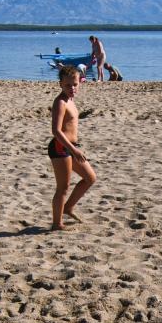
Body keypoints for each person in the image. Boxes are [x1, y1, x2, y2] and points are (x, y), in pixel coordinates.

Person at [47, 65, 97, 230]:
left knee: (90, 178)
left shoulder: (71, 100)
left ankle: (68, 208)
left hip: (71, 147)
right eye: (68, 85)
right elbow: (56, 131)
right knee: (63, 187)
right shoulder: (60, 102)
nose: (72, 88)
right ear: (60, 84)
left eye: (75, 84)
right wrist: (74, 150)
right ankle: (57, 223)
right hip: (60, 147)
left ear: (80, 82)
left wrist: (75, 148)